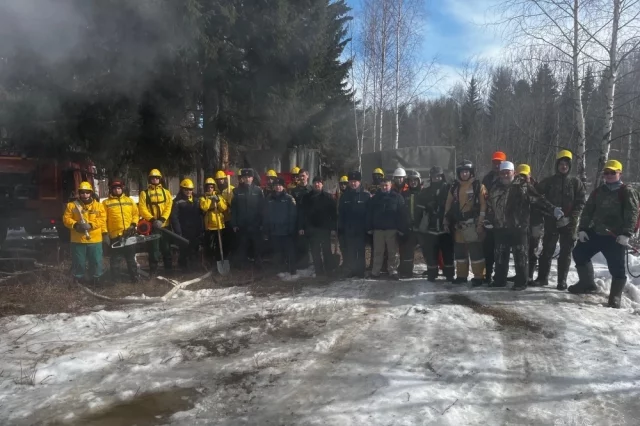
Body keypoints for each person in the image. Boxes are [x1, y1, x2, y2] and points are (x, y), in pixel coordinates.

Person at [570, 160, 640, 308]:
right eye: (606, 172)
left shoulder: (627, 191)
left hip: (615, 237)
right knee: (579, 253)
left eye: (612, 172)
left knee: (617, 268)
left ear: (620, 173)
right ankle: (587, 284)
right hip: (596, 232)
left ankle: (615, 296)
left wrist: (627, 234)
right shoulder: (598, 191)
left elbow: (632, 214)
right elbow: (588, 211)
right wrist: (582, 229)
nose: (609, 175)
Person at [486, 162, 561, 290]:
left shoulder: (523, 186)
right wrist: (488, 220)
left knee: (521, 257)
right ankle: (499, 280)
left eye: (508, 172)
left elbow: (538, 199)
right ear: (499, 174)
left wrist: (553, 209)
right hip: (500, 227)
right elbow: (490, 206)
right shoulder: (495, 187)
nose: (505, 175)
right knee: (500, 256)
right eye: (503, 173)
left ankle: (521, 282)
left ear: (513, 173)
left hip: (519, 227)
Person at [534, 150, 587, 290]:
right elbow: (536, 195)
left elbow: (581, 202)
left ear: (570, 166)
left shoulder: (576, 182)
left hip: (569, 223)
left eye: (566, 164)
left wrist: (571, 218)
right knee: (547, 249)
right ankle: (542, 278)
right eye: (561, 164)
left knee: (566, 252)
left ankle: (562, 281)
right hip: (551, 220)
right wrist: (551, 209)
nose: (563, 166)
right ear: (557, 165)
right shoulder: (549, 181)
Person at [444, 160, 487, 286]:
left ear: (471, 172)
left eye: (466, 172)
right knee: (460, 252)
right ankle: (461, 276)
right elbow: (448, 205)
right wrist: (445, 221)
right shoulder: (454, 187)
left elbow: (483, 206)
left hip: (472, 224)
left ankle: (479, 276)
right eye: (462, 172)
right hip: (458, 224)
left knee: (476, 252)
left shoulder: (478, 186)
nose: (464, 174)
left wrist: (480, 223)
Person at [63, 181, 107, 285]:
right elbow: (66, 219)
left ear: (91, 193)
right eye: (82, 192)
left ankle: (96, 280)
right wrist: (75, 225)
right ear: (79, 193)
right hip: (78, 240)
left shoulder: (99, 206)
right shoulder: (71, 206)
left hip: (95, 239)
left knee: (96, 261)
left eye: (87, 192)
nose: (85, 195)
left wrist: (91, 225)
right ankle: (78, 281)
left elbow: (102, 219)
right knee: (79, 262)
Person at [416, 166, 455, 281]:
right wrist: (427, 207)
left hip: (445, 227)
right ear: (431, 177)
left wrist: (444, 210)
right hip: (431, 227)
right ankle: (432, 273)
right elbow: (419, 208)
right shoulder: (426, 191)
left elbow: (454, 205)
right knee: (431, 253)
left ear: (442, 176)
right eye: (434, 177)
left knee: (448, 252)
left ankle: (449, 274)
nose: (436, 178)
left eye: (438, 176)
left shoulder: (448, 189)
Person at [367, 177, 407, 279]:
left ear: (390, 185)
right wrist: (369, 227)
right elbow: (370, 213)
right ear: (380, 186)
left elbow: (402, 214)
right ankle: (376, 271)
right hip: (378, 229)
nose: (384, 187)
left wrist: (401, 228)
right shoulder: (375, 198)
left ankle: (393, 271)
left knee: (392, 252)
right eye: (382, 185)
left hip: (392, 229)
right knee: (378, 252)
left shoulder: (397, 197)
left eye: (386, 185)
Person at [102, 178, 140, 283]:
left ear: (122, 188)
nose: (117, 190)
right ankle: (116, 281)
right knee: (115, 259)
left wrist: (133, 225)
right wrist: (105, 233)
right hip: (115, 235)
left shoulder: (129, 201)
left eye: (119, 188)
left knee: (131, 258)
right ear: (111, 189)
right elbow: (102, 220)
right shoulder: (106, 203)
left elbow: (136, 214)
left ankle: (134, 278)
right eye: (115, 188)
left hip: (129, 234)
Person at [299, 176, 337, 276]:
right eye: (315, 182)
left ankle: (329, 269)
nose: (317, 184)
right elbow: (302, 213)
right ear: (312, 184)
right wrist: (301, 227)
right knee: (315, 251)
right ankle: (318, 270)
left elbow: (334, 215)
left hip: (325, 228)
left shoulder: (328, 197)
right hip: (312, 228)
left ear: (322, 184)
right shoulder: (306, 198)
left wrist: (333, 228)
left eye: (319, 182)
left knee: (326, 250)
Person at [139, 169, 173, 276]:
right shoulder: (144, 193)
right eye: (153, 178)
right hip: (152, 227)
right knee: (153, 249)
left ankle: (169, 270)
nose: (155, 179)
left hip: (164, 225)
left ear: (160, 179)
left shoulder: (166, 192)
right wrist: (152, 220)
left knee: (166, 248)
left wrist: (162, 219)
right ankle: (153, 271)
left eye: (157, 178)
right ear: (149, 179)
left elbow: (168, 206)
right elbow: (142, 208)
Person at [339, 171, 371, 278]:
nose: (353, 183)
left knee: (360, 251)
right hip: (349, 229)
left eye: (355, 181)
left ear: (359, 182)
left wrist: (368, 228)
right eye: (351, 181)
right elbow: (341, 214)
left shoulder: (366, 195)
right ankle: (351, 270)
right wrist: (341, 228)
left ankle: (360, 271)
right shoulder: (344, 196)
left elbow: (369, 213)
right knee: (350, 251)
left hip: (361, 229)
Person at [515, 164, 543, 285]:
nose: (522, 178)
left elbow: (543, 202)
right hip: (521, 223)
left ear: (530, 175)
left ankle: (530, 276)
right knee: (521, 250)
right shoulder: (515, 187)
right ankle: (521, 274)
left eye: (525, 175)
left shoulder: (538, 187)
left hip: (536, 222)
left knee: (533, 249)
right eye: (520, 175)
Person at [231, 168, 265, 268]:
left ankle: (258, 263)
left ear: (252, 178)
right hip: (242, 224)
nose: (247, 179)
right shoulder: (237, 191)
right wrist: (234, 224)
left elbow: (262, 208)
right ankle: (242, 264)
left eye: (249, 177)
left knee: (257, 245)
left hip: (255, 224)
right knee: (242, 245)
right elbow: (234, 209)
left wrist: (262, 223)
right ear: (242, 178)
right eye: (245, 177)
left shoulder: (258, 191)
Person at [482, 151, 507, 283]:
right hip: (489, 218)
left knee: (501, 250)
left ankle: (500, 276)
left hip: (504, 219)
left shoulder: (508, 177)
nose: (497, 165)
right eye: (495, 162)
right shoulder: (487, 178)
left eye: (499, 163)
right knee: (488, 248)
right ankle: (487, 274)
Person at [264, 178, 297, 275]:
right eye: (276, 185)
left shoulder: (289, 198)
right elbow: (265, 215)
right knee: (277, 251)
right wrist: (266, 229)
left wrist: (291, 228)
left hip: (286, 230)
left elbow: (293, 215)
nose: (278, 187)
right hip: (274, 230)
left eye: (280, 185)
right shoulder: (269, 199)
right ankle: (279, 270)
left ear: (283, 186)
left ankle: (292, 269)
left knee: (289, 251)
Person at [170, 178, 204, 271]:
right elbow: (174, 218)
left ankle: (194, 267)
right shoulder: (177, 202)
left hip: (195, 229)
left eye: (190, 189)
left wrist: (201, 228)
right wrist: (178, 232)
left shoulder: (197, 200)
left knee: (195, 248)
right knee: (184, 250)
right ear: (182, 189)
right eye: (186, 189)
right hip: (183, 230)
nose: (188, 191)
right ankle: (183, 268)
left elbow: (201, 214)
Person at [398, 170, 423, 278]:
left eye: (415, 180)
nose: (413, 182)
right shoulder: (404, 194)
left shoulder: (423, 193)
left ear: (419, 180)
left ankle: (432, 271)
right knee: (408, 251)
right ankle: (406, 272)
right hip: (409, 227)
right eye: (411, 180)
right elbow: (400, 211)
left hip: (422, 227)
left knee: (428, 250)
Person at [200, 177, 228, 267]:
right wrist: (209, 199)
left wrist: (218, 201)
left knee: (220, 245)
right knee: (210, 246)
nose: (210, 189)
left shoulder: (219, 196)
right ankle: (210, 263)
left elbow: (224, 208)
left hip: (219, 224)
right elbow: (204, 208)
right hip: (209, 225)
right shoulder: (203, 198)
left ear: (214, 187)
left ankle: (220, 260)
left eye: (212, 187)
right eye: (208, 187)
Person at [290, 169, 313, 268]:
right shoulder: (294, 191)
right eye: (300, 176)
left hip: (311, 220)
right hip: (299, 219)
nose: (302, 178)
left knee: (311, 243)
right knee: (300, 243)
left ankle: (311, 263)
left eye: (303, 175)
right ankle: (302, 264)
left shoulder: (312, 189)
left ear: (308, 176)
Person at [214, 170, 235, 257]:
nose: (220, 181)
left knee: (231, 238)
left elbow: (235, 203)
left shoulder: (231, 189)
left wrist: (230, 205)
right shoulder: (215, 191)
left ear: (225, 179)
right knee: (221, 239)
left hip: (229, 218)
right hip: (219, 220)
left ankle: (231, 255)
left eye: (221, 179)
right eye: (218, 180)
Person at [336, 175, 349, 266]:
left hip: (348, 226)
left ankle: (349, 263)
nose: (343, 186)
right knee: (342, 246)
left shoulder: (349, 196)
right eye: (341, 184)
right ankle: (345, 262)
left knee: (348, 246)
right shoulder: (339, 196)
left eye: (345, 184)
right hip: (340, 225)